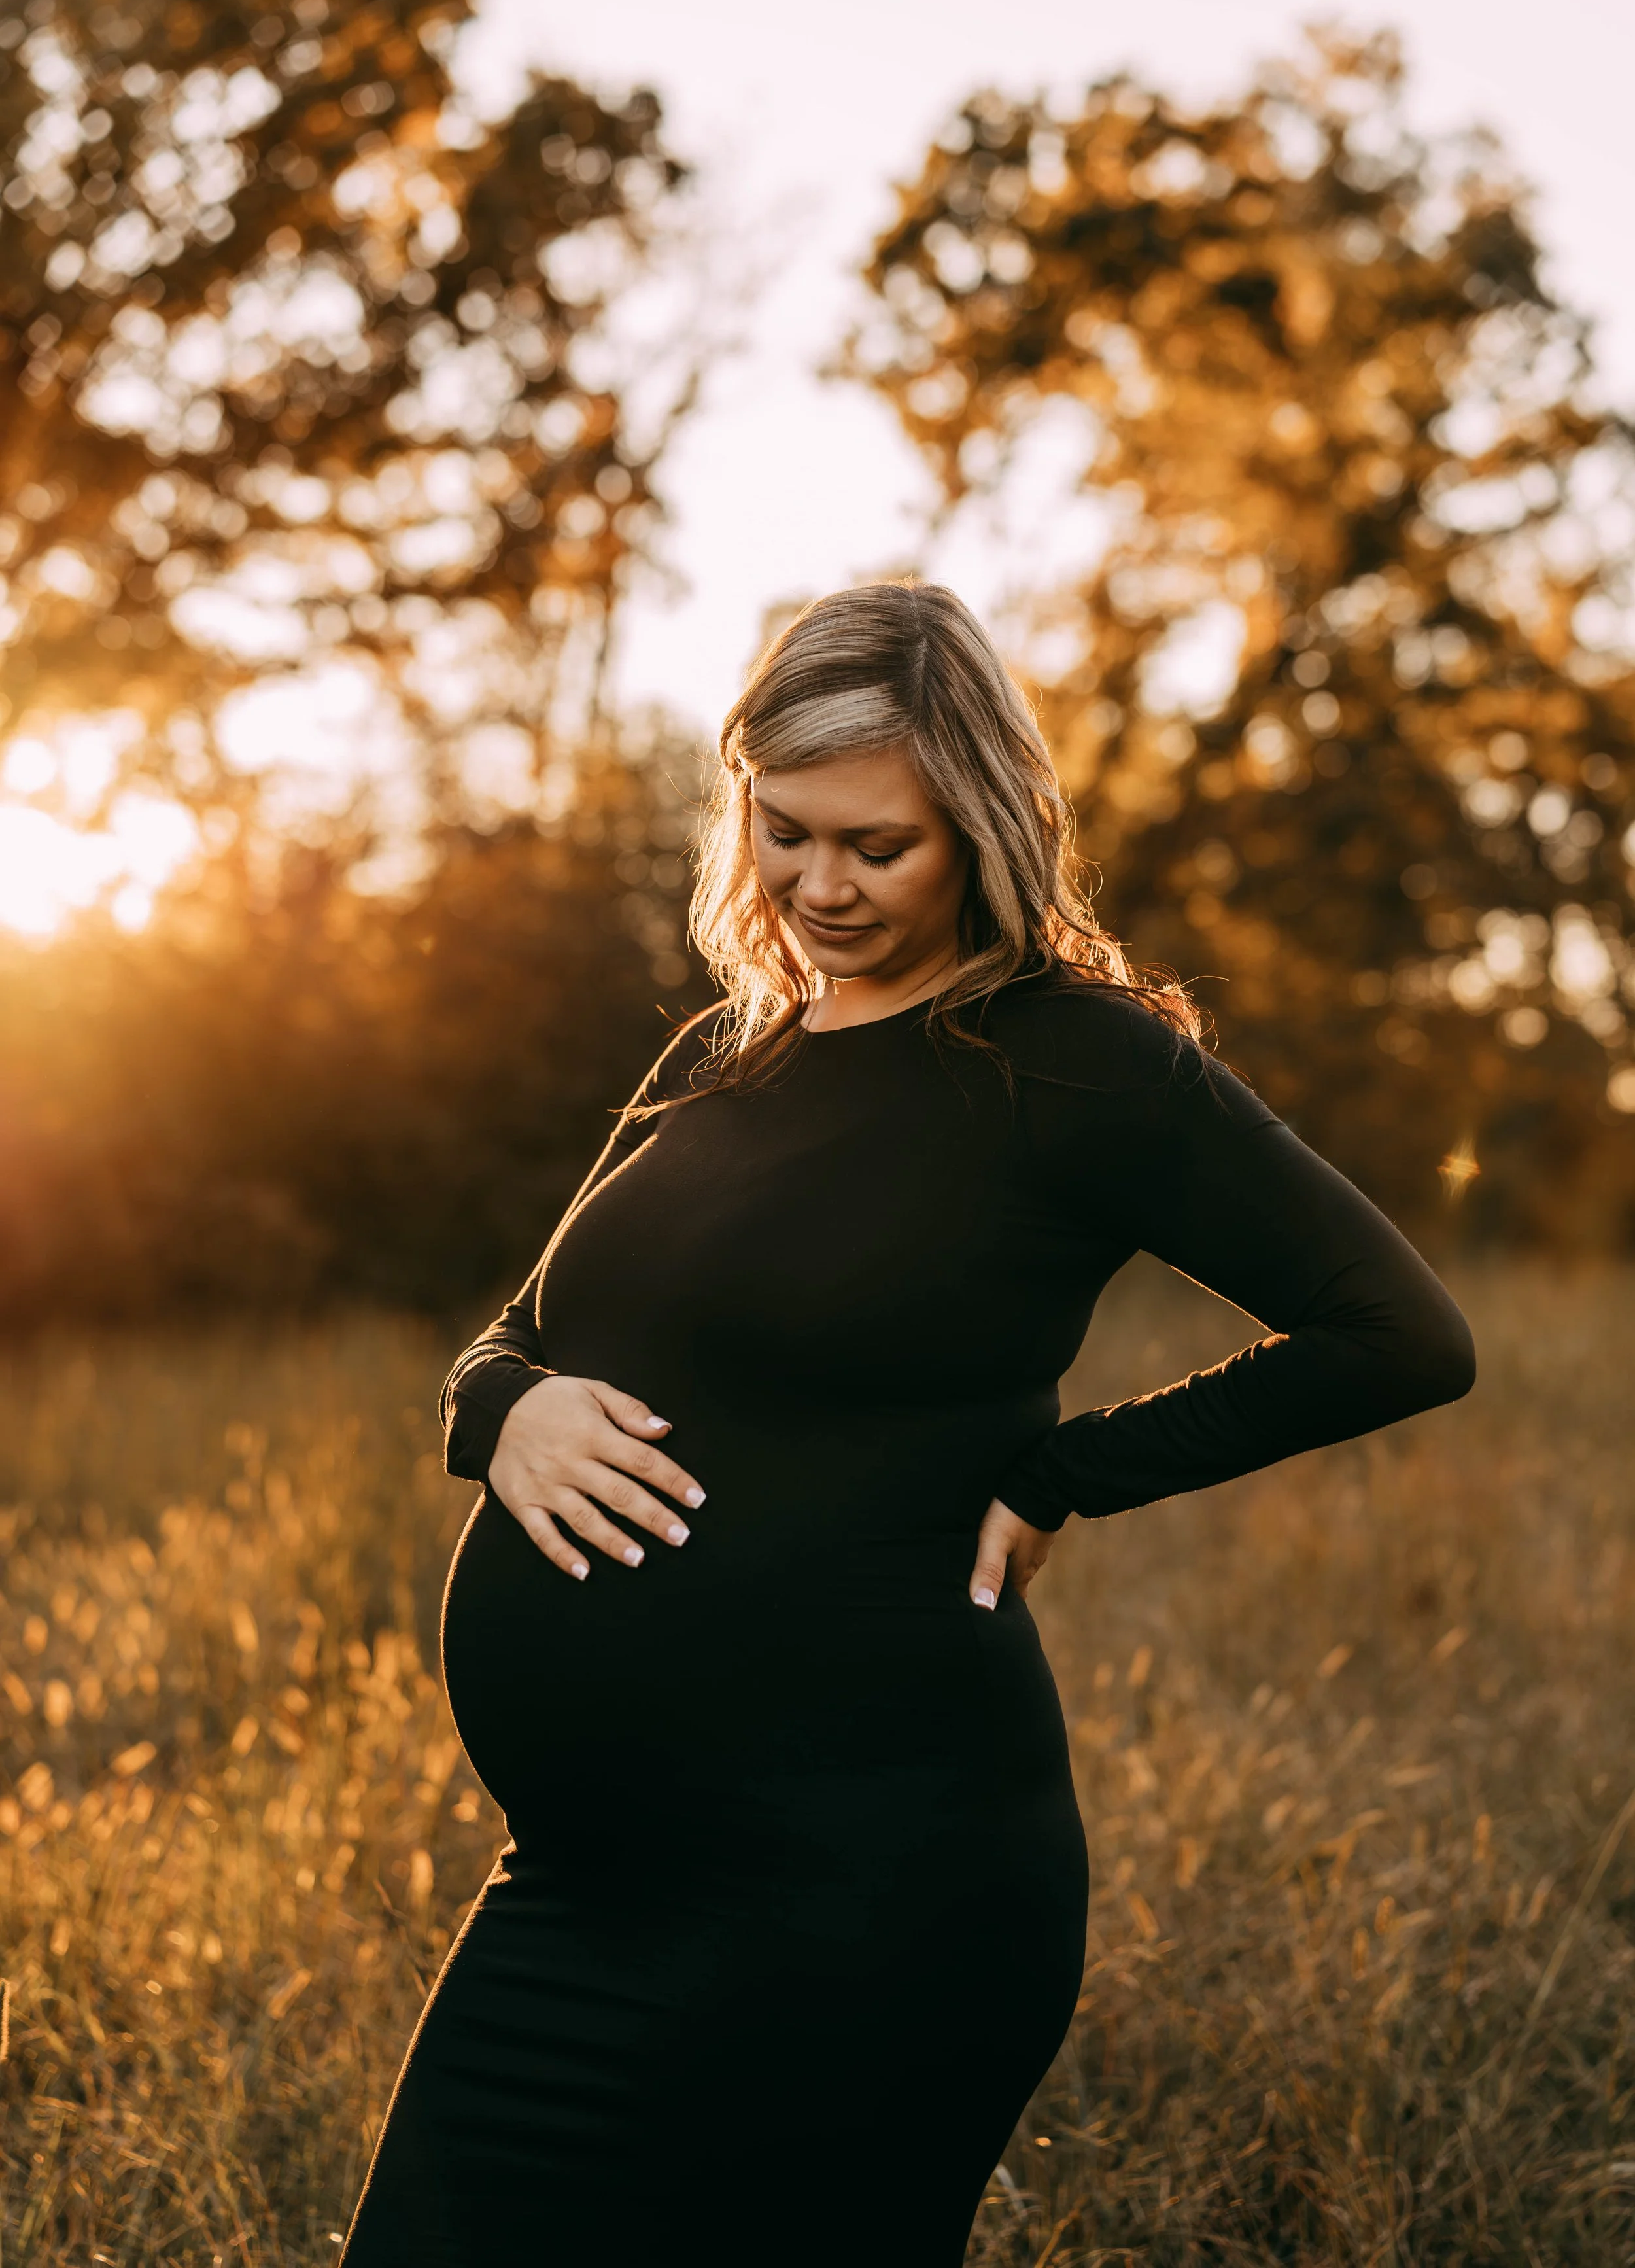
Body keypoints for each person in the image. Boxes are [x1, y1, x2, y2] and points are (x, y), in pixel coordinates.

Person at [341, 581, 1475, 2267]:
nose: (817, 886)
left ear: (986, 828)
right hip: (584, 1890)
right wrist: (495, 1410)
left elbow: (1400, 1331)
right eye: (783, 832)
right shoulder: (730, 1053)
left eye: (876, 845)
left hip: (866, 1899)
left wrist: (1072, 1469)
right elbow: (522, 1325)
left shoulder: (1073, 1066)